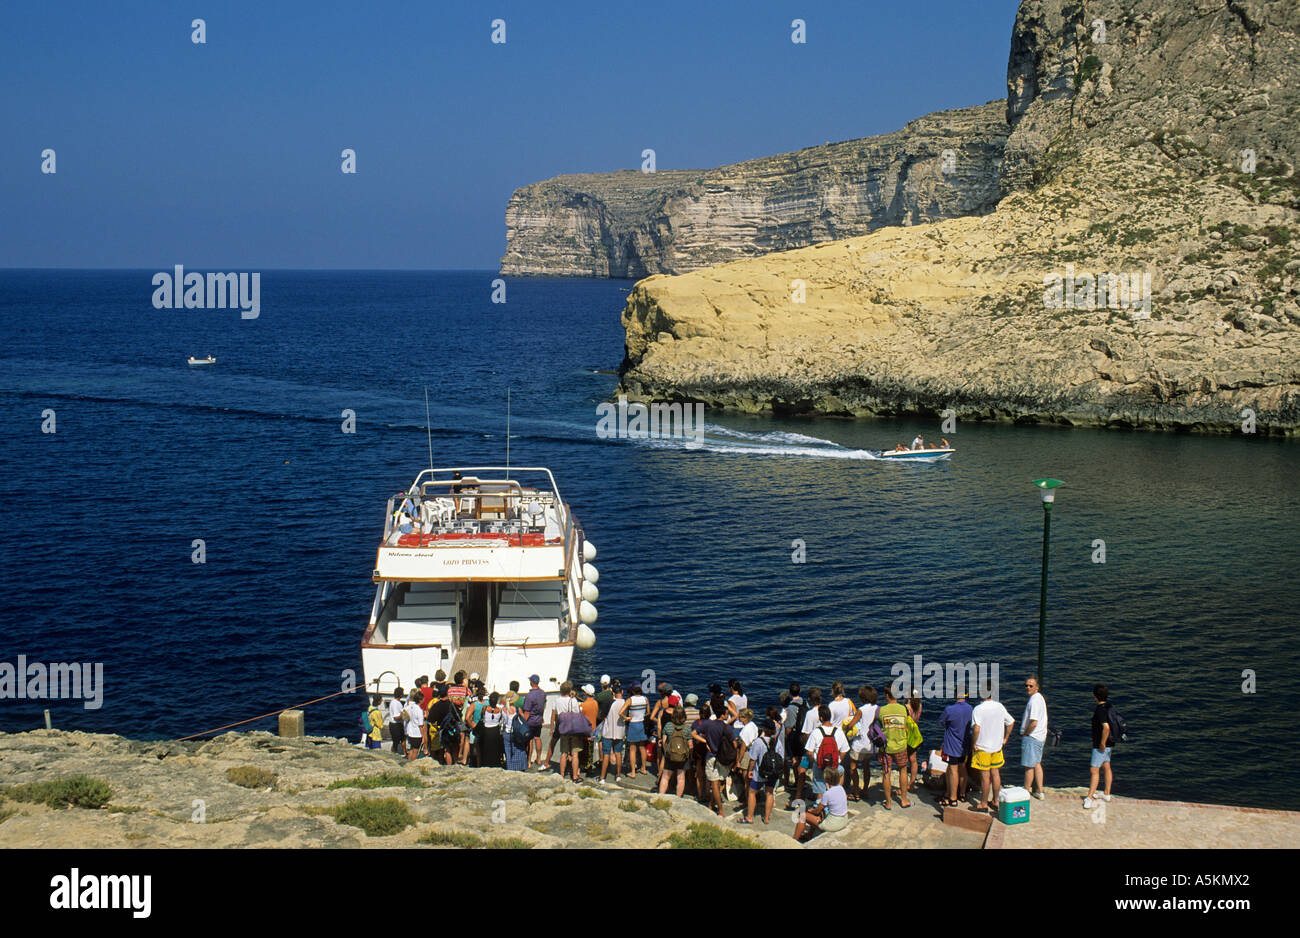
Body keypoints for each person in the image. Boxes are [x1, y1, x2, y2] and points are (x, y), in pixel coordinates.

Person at [969, 689, 1015, 814]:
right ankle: (995, 801)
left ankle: (983, 803)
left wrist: (974, 743)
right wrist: (1006, 738)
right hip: (997, 746)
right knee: (995, 774)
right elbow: (1011, 722)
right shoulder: (1000, 707)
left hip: (983, 747)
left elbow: (976, 729)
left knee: (985, 777)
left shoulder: (978, 709)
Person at [693, 702, 733, 819]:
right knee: (717, 783)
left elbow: (694, 733)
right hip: (723, 758)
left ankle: (711, 804)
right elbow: (734, 742)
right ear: (723, 715)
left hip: (711, 756)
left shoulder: (709, 725)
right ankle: (720, 809)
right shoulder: (727, 727)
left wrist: (706, 742)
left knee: (714, 783)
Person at [804, 706, 849, 800]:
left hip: (820, 767)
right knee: (841, 770)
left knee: (820, 790)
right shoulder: (839, 731)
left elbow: (810, 752)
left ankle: (820, 805)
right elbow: (844, 750)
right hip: (834, 766)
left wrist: (816, 761)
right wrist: (838, 760)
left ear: (821, 718)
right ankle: (836, 797)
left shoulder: (816, 732)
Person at [876, 687, 911, 808]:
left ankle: (889, 802)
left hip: (886, 748)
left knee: (886, 773)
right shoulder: (904, 709)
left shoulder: (881, 710)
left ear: (887, 695)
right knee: (903, 770)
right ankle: (904, 800)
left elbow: (878, 729)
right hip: (901, 745)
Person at [938, 692, 974, 807]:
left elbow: (941, 722)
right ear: (966, 694)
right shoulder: (971, 709)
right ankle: (962, 794)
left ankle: (952, 798)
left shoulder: (950, 709)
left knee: (953, 770)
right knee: (962, 767)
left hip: (952, 745)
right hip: (965, 744)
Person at [794, 767, 849, 841]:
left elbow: (817, 811)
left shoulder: (827, 793)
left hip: (833, 824)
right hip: (844, 820)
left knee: (803, 816)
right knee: (816, 814)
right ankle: (809, 835)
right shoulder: (841, 788)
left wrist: (810, 811)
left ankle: (794, 840)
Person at [1085, 683, 1116, 810]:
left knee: (1094, 770)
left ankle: (1089, 797)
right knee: (1106, 766)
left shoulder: (1100, 710)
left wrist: (1102, 743)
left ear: (1095, 696)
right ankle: (1107, 793)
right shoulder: (1109, 706)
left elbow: (1106, 727)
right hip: (1110, 744)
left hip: (1100, 745)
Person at [743, 719, 780, 824]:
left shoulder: (759, 742)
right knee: (769, 793)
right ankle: (767, 818)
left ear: (764, 729)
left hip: (760, 772)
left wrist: (750, 771)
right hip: (772, 772)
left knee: (752, 792)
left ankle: (750, 817)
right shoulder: (777, 742)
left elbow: (753, 759)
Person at [846, 685, 878, 802]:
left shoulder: (861, 710)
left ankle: (855, 792)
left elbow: (851, 725)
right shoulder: (877, 708)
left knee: (853, 768)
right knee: (866, 767)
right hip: (870, 744)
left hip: (859, 744)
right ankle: (865, 790)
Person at [552, 682, 586, 782]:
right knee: (575, 753)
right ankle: (575, 776)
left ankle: (562, 775)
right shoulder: (573, 700)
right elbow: (577, 714)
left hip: (563, 728)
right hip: (573, 728)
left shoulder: (557, 701)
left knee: (564, 753)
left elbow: (557, 715)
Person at [1021, 676, 1048, 800]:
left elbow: (1034, 722)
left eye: (1031, 686)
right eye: (1026, 685)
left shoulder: (1034, 700)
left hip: (1032, 736)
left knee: (1029, 766)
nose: (1028, 687)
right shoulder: (1040, 698)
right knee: (1037, 764)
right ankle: (1040, 791)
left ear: (1037, 687)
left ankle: (1026, 791)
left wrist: (1026, 733)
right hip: (1040, 737)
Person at [658, 706, 691, 797]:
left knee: (665, 777)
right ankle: (678, 797)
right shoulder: (687, 728)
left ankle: (661, 796)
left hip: (670, 755)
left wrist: (666, 753)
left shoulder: (668, 726)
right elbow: (690, 745)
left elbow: (664, 741)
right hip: (683, 756)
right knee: (681, 777)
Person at [599, 683, 626, 785]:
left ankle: (602, 778)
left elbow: (602, 716)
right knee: (618, 753)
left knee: (606, 755)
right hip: (620, 732)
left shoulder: (609, 703)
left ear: (613, 693)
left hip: (608, 732)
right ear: (622, 692)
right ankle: (618, 775)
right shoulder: (625, 703)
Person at [624, 683, 650, 778]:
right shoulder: (645, 699)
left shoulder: (630, 700)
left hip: (633, 724)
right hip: (641, 724)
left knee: (632, 749)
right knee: (642, 748)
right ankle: (643, 768)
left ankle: (633, 772)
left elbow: (620, 712)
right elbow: (648, 712)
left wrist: (626, 717)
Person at [733, 708, 759, 803]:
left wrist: (738, 761)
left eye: (740, 716)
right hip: (754, 752)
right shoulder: (753, 726)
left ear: (744, 718)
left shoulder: (745, 730)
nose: (738, 718)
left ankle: (747, 798)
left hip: (747, 754)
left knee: (746, 778)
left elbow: (743, 747)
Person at [522, 675, 547, 770]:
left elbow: (527, 711)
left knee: (530, 740)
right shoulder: (543, 693)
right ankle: (539, 759)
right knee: (537, 738)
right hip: (539, 720)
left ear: (531, 682)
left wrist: (523, 722)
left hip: (531, 721)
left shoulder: (529, 695)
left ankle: (528, 761)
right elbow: (542, 707)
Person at [502, 691, 527, 771]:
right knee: (517, 750)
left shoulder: (503, 709)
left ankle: (510, 768)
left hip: (506, 732)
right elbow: (523, 719)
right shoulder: (517, 709)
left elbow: (503, 721)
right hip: (515, 732)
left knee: (508, 751)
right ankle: (518, 768)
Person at [479, 692, 505, 768]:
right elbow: (500, 719)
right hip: (495, 730)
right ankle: (495, 763)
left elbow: (481, 716)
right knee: (495, 749)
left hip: (486, 730)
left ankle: (486, 763)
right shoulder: (499, 710)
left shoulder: (485, 708)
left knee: (486, 748)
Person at [427, 686, 452, 764]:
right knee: (448, 751)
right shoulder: (451, 705)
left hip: (437, 730)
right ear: (447, 693)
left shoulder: (435, 705)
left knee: (436, 752)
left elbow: (430, 720)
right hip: (449, 730)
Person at [579, 684, 601, 773]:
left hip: (585, 730)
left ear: (585, 693)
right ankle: (589, 766)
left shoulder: (584, 705)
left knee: (583, 750)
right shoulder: (595, 703)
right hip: (593, 730)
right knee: (590, 750)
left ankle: (583, 766)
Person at [906, 691, 924, 791]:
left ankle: (903, 786)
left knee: (904, 761)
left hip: (907, 735)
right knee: (913, 760)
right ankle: (912, 784)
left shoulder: (907, 707)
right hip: (915, 734)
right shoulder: (919, 706)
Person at [403, 690, 425, 760]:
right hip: (417, 733)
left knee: (411, 749)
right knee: (415, 751)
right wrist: (424, 737)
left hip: (410, 731)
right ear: (420, 700)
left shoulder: (411, 707)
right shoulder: (419, 710)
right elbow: (420, 725)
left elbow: (404, 711)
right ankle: (412, 764)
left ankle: (408, 762)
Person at [387, 686, 407, 755]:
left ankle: (405, 753)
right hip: (395, 725)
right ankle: (394, 753)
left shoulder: (395, 702)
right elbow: (396, 717)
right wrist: (404, 715)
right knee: (396, 741)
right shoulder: (395, 703)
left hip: (398, 724)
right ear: (401, 695)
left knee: (403, 739)